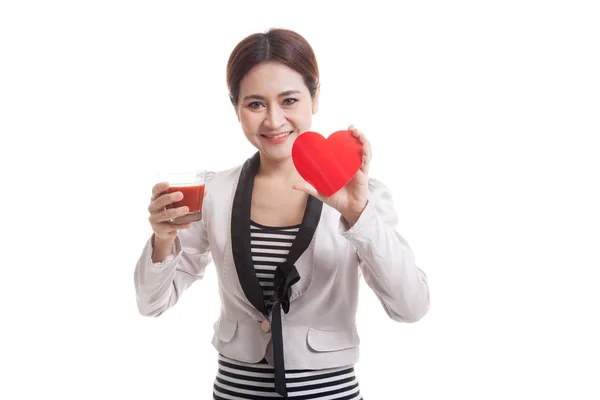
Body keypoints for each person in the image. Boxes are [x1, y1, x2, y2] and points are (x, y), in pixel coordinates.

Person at [134, 28, 430, 399]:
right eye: (255, 104)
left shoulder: (361, 195)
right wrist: (163, 240)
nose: (274, 121)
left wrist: (359, 215)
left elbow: (411, 307)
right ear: (236, 108)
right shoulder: (215, 193)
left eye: (289, 100)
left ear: (315, 97)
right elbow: (151, 303)